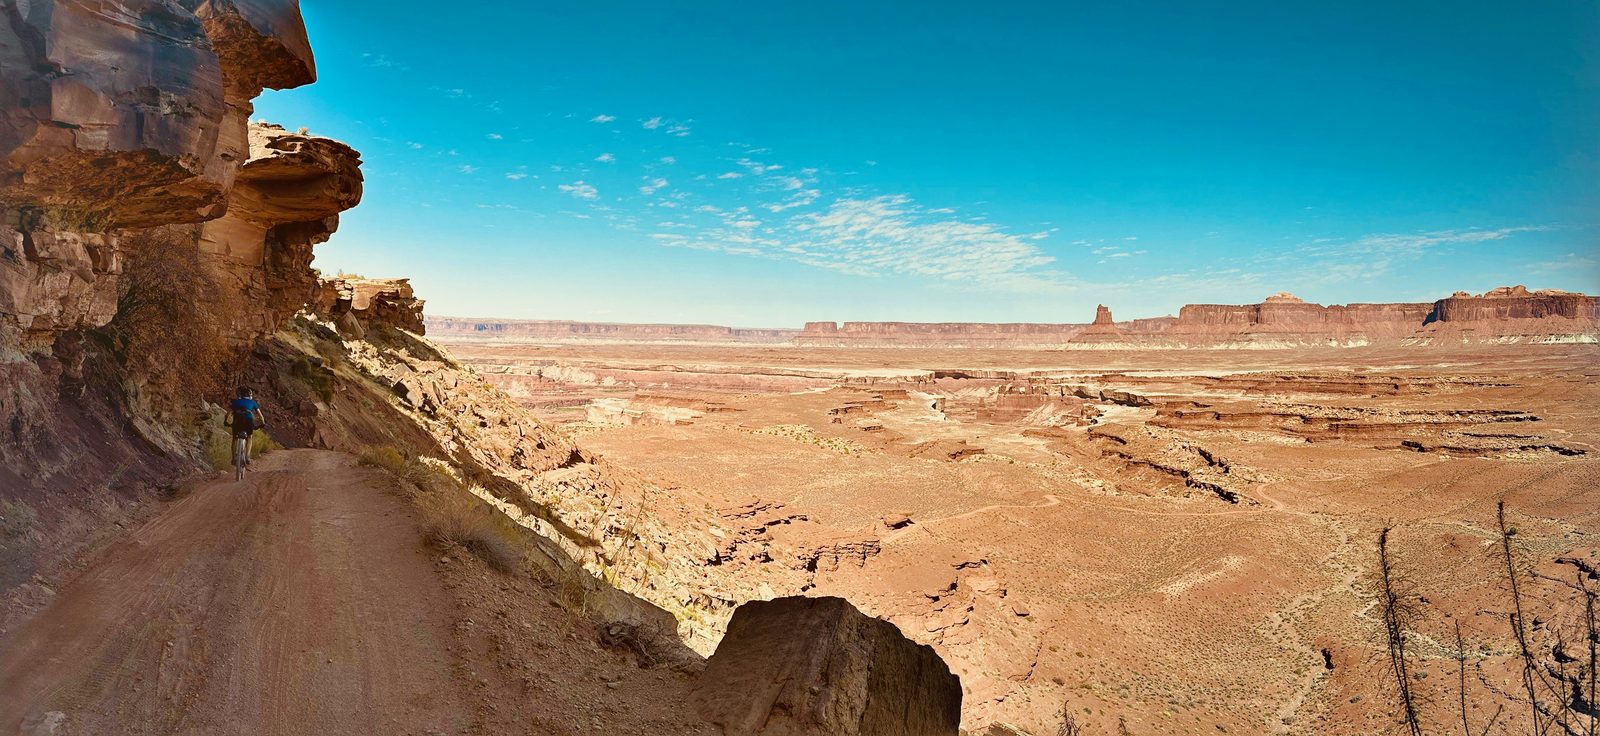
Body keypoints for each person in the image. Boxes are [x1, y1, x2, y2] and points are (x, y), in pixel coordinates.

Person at [227, 387, 267, 469]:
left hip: (237, 422)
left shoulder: (235, 402)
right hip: (248, 422)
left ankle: (234, 457)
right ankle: (247, 457)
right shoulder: (253, 402)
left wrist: (225, 421)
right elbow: (260, 415)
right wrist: (263, 423)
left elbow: (228, 414)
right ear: (250, 395)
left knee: (234, 438)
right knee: (249, 437)